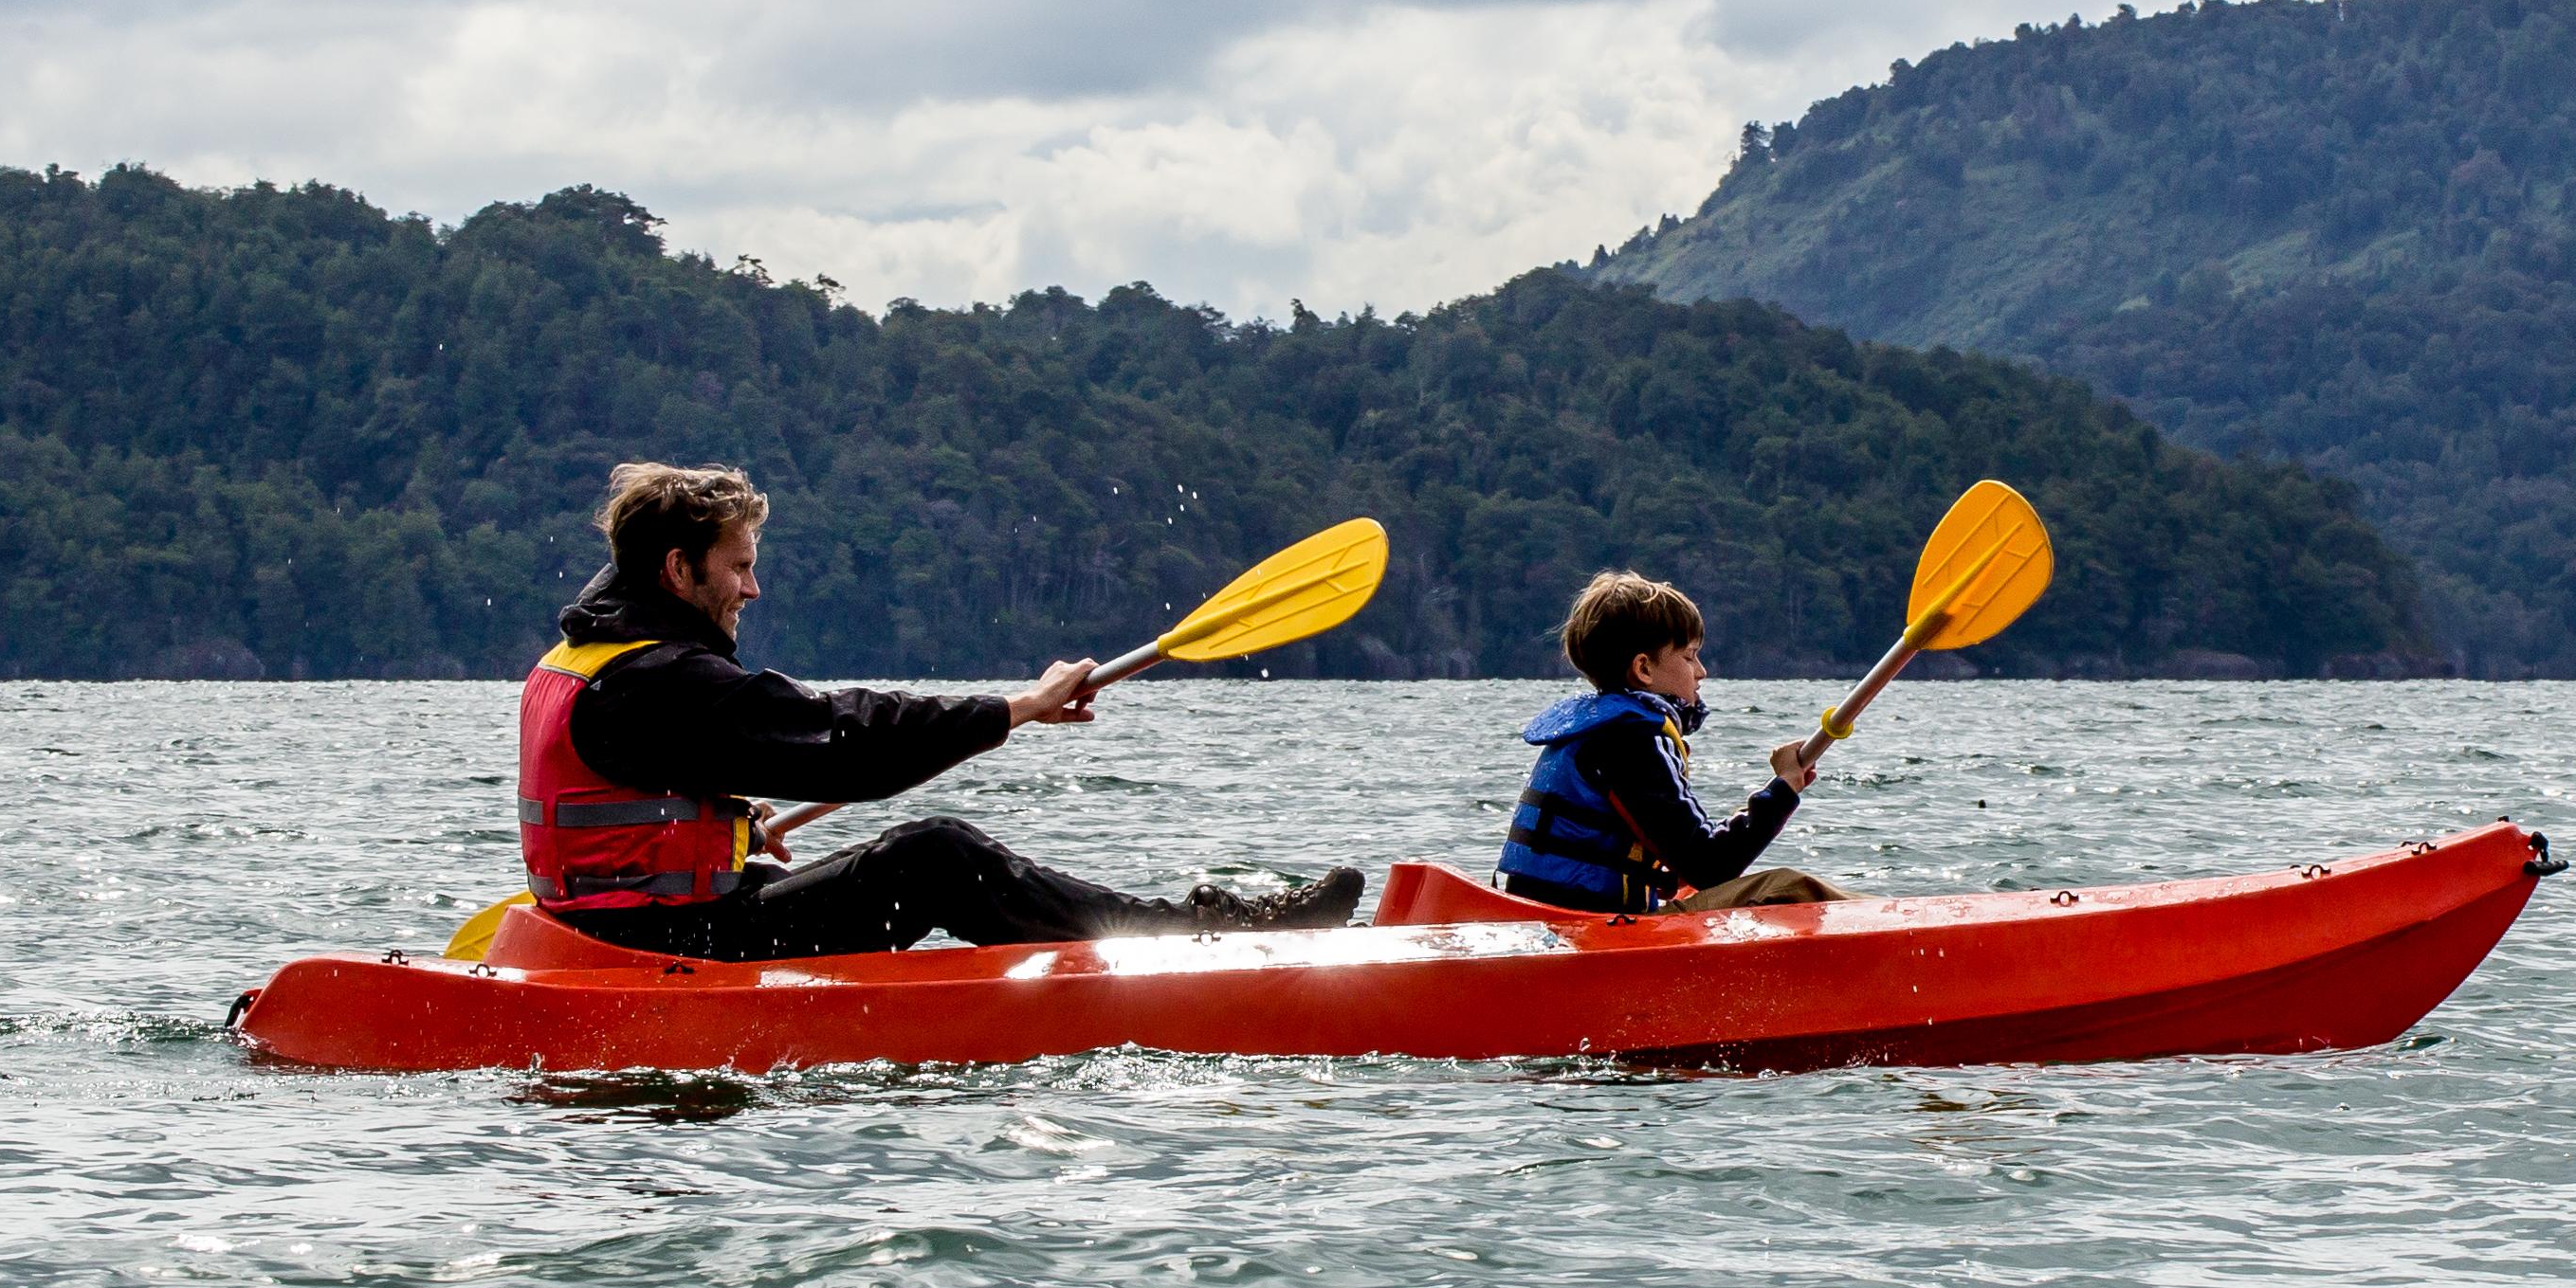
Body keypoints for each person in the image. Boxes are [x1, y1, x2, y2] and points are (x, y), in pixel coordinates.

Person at [520, 462, 1358, 960]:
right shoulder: (656, 681)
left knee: (912, 851)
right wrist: (1016, 707)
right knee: (934, 856)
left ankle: (1172, 929)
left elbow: (649, 794)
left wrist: (735, 831)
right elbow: (849, 740)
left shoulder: (584, 657)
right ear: (676, 570)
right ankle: (1188, 942)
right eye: (737, 567)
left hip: (617, 930)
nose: (752, 586)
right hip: (668, 948)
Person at [1497, 570, 1834, 916]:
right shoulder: (1633, 737)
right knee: (1789, 889)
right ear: (1643, 668)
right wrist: (1782, 789)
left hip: (1546, 919)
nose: (1701, 671)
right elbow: (1710, 866)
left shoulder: (1595, 728)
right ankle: (1890, 937)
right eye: (1689, 656)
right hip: (1595, 928)